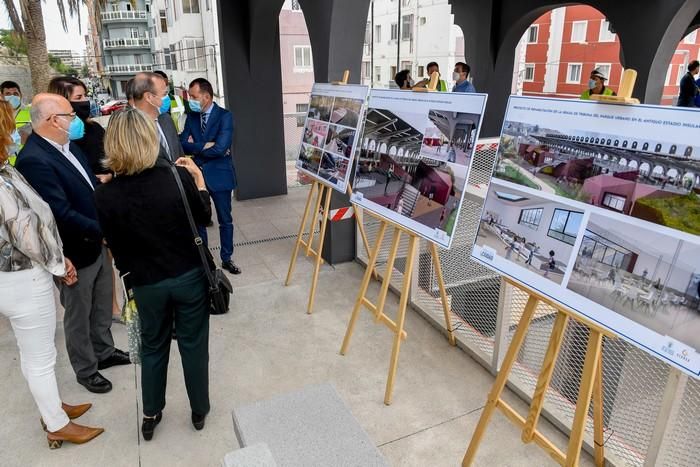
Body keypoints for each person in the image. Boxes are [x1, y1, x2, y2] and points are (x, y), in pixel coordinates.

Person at [95, 107, 212, 440]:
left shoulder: (104, 195)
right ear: (149, 139)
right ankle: (199, 409)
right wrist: (200, 181)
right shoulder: (176, 178)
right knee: (193, 344)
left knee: (153, 347)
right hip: (188, 276)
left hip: (145, 282)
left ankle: (150, 413)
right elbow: (204, 217)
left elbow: (114, 245)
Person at [0, 99, 104, 448]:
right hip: (24, 277)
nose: (15, 130)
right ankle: (56, 423)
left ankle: (52, 408)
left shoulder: (5, 169)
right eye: (10, 124)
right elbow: (25, 230)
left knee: (33, 355)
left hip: (19, 277)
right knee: (42, 357)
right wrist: (60, 263)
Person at [15, 93, 130, 394]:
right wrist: (102, 231)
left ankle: (104, 352)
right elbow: (59, 213)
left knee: (102, 302)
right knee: (79, 314)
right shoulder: (34, 159)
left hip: (96, 240)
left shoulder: (69, 146)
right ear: (54, 120)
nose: (77, 118)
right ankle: (86, 368)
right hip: (74, 250)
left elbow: (87, 187)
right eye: (70, 114)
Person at [48, 76, 123, 322]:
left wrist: (110, 176)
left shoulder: (93, 129)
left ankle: (111, 308)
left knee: (106, 264)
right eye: (77, 99)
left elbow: (110, 157)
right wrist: (93, 179)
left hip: (104, 203)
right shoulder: (58, 141)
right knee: (85, 278)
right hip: (80, 218)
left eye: (84, 97)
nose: (84, 103)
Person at [180, 78, 241, 275]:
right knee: (200, 221)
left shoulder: (225, 116)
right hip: (197, 175)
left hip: (220, 175)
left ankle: (226, 258)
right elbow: (182, 143)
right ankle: (205, 260)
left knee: (225, 219)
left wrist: (197, 150)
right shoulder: (192, 117)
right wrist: (203, 147)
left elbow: (222, 147)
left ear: (206, 97)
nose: (190, 100)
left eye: (194, 97)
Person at [132, 72, 184, 164]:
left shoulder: (166, 119)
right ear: (149, 97)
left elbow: (180, 155)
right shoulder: (129, 129)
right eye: (164, 93)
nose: (167, 97)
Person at [2, 80, 32, 162]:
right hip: (5, 164)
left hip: (28, 161)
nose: (12, 96)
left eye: (15, 94)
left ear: (20, 95)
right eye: (8, 94)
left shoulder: (31, 113)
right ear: (2, 96)